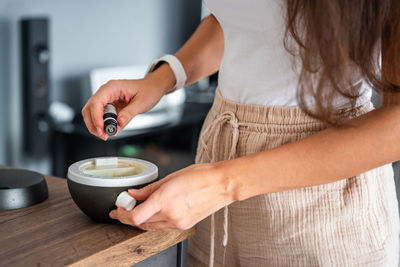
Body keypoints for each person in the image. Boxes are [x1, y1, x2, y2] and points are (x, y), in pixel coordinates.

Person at [82, 0, 400, 266]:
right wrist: (163, 78)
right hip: (218, 167)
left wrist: (223, 183)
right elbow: (240, 19)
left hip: (323, 201)